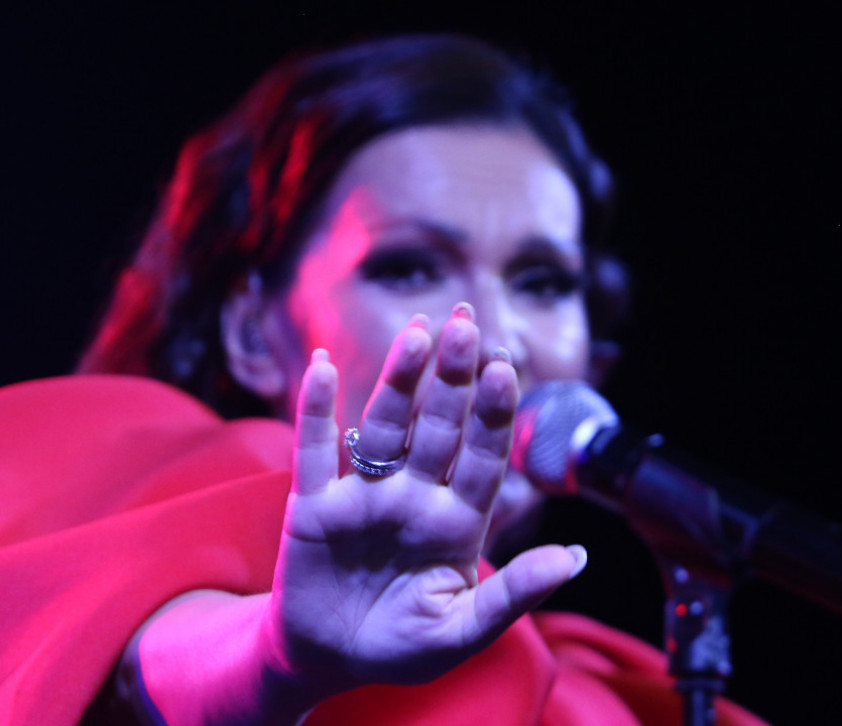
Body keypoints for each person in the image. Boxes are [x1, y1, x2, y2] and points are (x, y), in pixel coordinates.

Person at [0, 34, 766, 725]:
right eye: (408, 268)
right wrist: (265, 660)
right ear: (252, 332)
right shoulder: (100, 457)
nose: (498, 337)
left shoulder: (619, 695)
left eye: (543, 282)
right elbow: (74, 635)